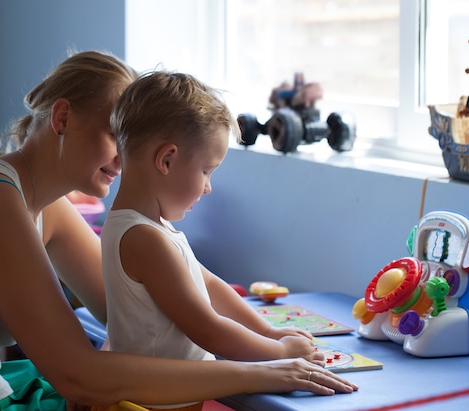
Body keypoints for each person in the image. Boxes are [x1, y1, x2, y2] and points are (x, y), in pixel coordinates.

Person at [0, 50, 357, 411]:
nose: (125, 156)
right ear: (63, 118)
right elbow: (78, 375)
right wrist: (262, 372)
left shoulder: (45, 208)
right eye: (117, 134)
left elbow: (126, 310)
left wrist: (270, 339)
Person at [102, 71, 357, 410]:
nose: (208, 187)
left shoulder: (148, 227)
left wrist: (269, 333)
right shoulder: (144, 238)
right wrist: (279, 352)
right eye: (206, 171)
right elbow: (207, 329)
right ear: (166, 160)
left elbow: (210, 286)